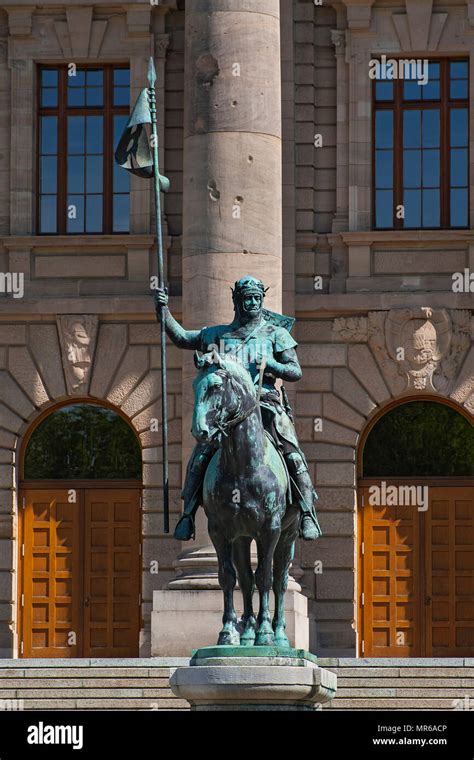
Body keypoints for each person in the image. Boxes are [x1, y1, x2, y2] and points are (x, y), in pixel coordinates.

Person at [154, 275, 322, 542]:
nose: (253, 302)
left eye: (257, 297)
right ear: (237, 301)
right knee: (201, 453)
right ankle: (187, 513)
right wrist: (163, 311)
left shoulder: (276, 334)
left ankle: (307, 512)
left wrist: (273, 364)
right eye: (247, 298)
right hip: (227, 410)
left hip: (266, 404)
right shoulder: (216, 334)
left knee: (291, 451)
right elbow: (183, 338)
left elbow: (295, 371)